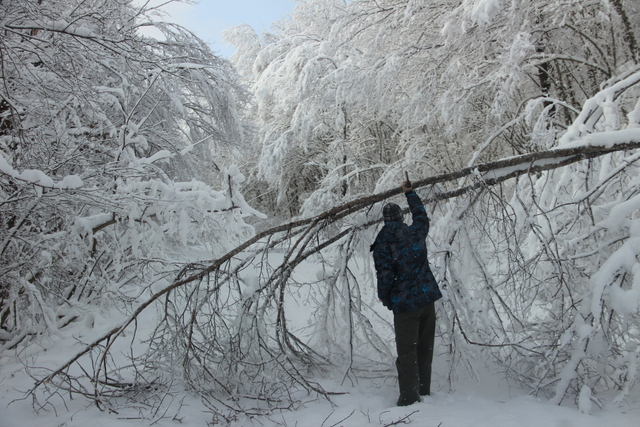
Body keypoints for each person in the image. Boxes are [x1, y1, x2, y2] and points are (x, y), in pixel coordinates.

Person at [370, 180, 442, 406]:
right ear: (402, 217)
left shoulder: (383, 243)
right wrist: (410, 194)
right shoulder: (415, 233)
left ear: (385, 220)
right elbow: (421, 216)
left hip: (405, 306)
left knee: (407, 354)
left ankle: (410, 399)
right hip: (427, 299)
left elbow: (385, 275)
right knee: (424, 349)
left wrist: (384, 296)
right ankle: (423, 391)